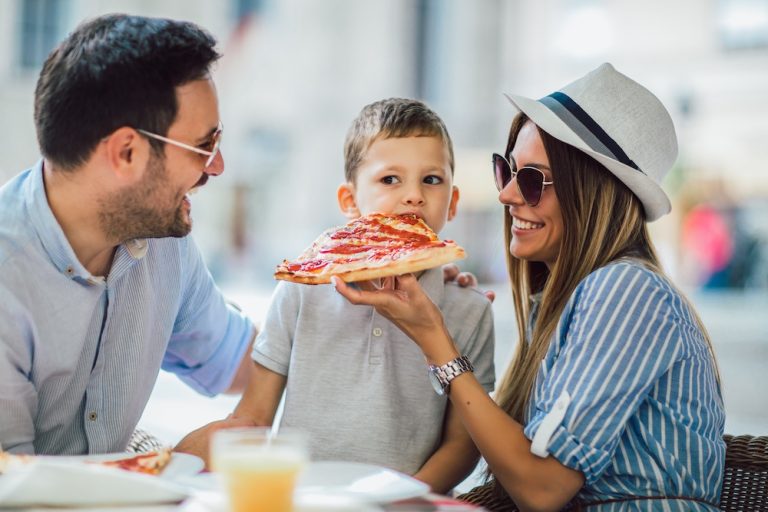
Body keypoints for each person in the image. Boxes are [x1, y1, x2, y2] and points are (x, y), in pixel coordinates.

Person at [335, 64, 725, 511]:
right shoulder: (568, 300)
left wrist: (435, 339)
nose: (507, 195)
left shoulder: (625, 289)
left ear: (594, 192)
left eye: (534, 179)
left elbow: (541, 488)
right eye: (508, 170)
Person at [0, 14, 256, 455]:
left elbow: (241, 362)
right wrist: (173, 465)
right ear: (127, 152)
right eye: (204, 145)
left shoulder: (159, 237)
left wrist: (360, 310)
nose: (217, 166)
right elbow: (16, 492)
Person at [230, 98, 496, 493]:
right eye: (390, 179)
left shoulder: (470, 310)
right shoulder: (301, 290)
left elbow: (461, 446)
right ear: (349, 202)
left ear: (452, 203)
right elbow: (253, 416)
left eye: (432, 179)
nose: (414, 196)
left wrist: (398, 501)